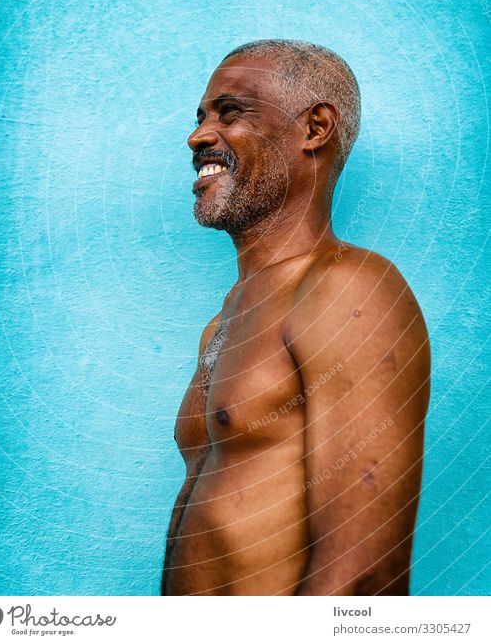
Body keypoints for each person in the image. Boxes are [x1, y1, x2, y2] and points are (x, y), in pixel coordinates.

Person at [161, 39, 430, 596]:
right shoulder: (225, 320)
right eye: (201, 117)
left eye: (230, 112)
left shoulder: (349, 288)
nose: (198, 136)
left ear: (315, 129)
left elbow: (365, 578)